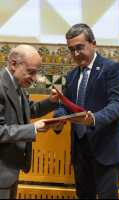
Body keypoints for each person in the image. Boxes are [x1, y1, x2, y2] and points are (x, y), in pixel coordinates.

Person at [53, 23, 119, 199]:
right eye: (71, 50)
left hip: (105, 147)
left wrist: (94, 119)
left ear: (93, 44)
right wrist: (57, 120)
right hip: (79, 148)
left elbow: (117, 104)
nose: (76, 54)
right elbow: (65, 105)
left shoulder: (111, 68)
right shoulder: (72, 75)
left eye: (80, 48)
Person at [0, 45, 62, 199]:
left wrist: (51, 101)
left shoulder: (17, 85)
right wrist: (33, 129)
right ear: (14, 64)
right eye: (31, 72)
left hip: (10, 170)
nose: (34, 78)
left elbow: (31, 109)